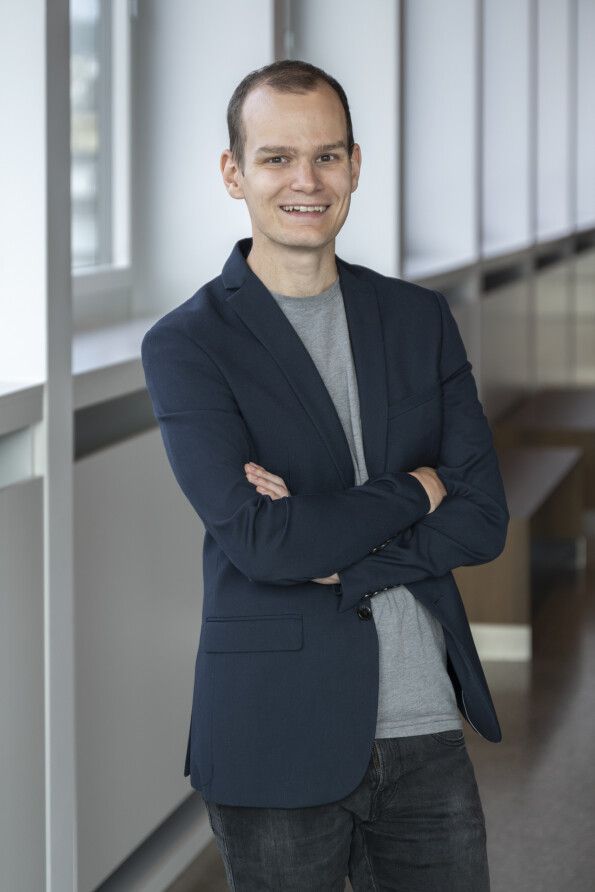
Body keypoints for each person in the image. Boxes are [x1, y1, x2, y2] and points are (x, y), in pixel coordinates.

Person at [141, 59, 509, 892]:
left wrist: (343, 547)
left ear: (354, 165)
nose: (305, 180)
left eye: (327, 156)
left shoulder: (418, 319)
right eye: (276, 158)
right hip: (274, 726)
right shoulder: (188, 343)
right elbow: (265, 543)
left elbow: (483, 515)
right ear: (233, 173)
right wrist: (416, 489)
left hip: (425, 726)